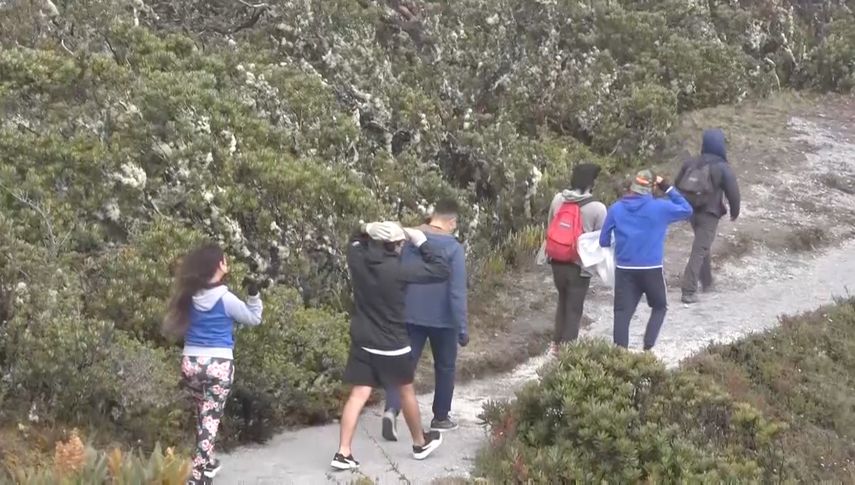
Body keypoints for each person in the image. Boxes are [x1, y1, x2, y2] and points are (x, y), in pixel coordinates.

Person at [332, 221, 448, 470]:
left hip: (364, 340)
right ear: (394, 245)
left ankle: (343, 452)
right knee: (406, 390)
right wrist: (422, 241)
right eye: (401, 243)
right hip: (392, 342)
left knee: (359, 393)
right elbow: (440, 269)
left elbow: (354, 237)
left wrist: (366, 227)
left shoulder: (357, 259)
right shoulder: (399, 269)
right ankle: (419, 442)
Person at [162, 243, 264, 485]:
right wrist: (254, 294)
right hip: (218, 363)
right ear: (219, 265)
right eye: (225, 260)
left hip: (191, 363)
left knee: (203, 411)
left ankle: (207, 461)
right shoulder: (226, 298)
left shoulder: (189, 296)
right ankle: (198, 477)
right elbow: (253, 319)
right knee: (210, 417)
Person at [382, 198, 468, 439]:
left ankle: (391, 409)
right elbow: (457, 290)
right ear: (451, 221)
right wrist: (462, 326)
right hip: (444, 319)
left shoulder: (410, 240)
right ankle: (440, 417)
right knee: (445, 367)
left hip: (410, 313)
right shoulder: (453, 248)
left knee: (404, 365)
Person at [599, 170, 692, 350]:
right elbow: (687, 209)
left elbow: (603, 240)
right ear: (651, 188)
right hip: (652, 268)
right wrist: (667, 187)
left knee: (622, 313)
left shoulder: (616, 209)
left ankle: (619, 355)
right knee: (659, 306)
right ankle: (648, 346)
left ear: (633, 186)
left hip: (625, 269)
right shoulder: (660, 208)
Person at [537, 163, 607, 353]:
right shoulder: (598, 208)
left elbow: (551, 225)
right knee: (574, 309)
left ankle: (556, 345)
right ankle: (567, 354)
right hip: (578, 266)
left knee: (563, 301)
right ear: (591, 183)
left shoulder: (558, 199)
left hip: (557, 261)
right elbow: (601, 240)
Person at [675, 129, 741, 304]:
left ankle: (707, 281)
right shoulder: (722, 166)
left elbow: (677, 185)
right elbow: (733, 192)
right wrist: (735, 212)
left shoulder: (691, 162)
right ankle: (688, 290)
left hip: (690, 211)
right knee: (700, 249)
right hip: (709, 213)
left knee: (703, 245)